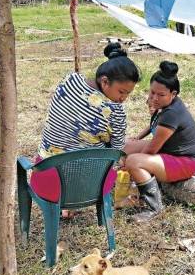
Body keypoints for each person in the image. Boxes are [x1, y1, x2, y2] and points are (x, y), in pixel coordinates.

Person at [30, 43, 140, 206]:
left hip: (46, 179)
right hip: (91, 186)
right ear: (105, 82)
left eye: (128, 94)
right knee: (110, 152)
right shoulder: (115, 111)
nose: (123, 98)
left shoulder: (70, 80)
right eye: (121, 92)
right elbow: (116, 152)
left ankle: (64, 207)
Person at [124, 61, 195, 222]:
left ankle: (154, 207)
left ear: (173, 94)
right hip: (168, 151)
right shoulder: (166, 105)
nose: (154, 98)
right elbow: (154, 127)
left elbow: (152, 148)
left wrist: (128, 166)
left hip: (184, 162)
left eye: (160, 95)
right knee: (125, 145)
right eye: (152, 92)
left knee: (133, 161)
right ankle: (136, 178)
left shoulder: (172, 114)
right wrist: (138, 138)